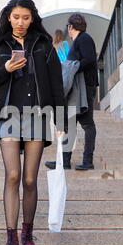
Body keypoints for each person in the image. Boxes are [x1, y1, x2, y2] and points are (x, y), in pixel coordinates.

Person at [0, 0, 66, 245]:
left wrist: (62, 120)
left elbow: (55, 84)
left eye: (26, 17)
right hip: (8, 116)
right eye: (16, 17)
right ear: (8, 17)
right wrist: (4, 69)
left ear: (32, 18)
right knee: (13, 176)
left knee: (30, 179)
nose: (20, 22)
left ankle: (27, 233)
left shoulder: (44, 46)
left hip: (38, 116)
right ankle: (12, 244)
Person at [45, 13, 98, 170]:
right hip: (78, 89)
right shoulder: (77, 41)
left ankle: (88, 161)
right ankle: (64, 161)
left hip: (85, 87)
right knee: (70, 123)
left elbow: (89, 60)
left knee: (87, 124)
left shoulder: (84, 38)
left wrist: (72, 67)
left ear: (70, 27)